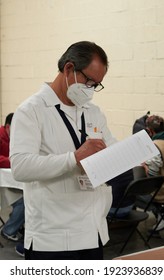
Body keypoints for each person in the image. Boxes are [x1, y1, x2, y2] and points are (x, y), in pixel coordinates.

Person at [10, 41, 116, 260]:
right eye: (89, 81)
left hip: (92, 230)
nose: (91, 89)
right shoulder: (31, 110)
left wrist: (132, 155)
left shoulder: (93, 112)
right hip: (52, 238)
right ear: (69, 69)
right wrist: (74, 159)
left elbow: (111, 148)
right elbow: (20, 167)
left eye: (96, 84)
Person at [140, 115, 164, 230]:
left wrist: (144, 166)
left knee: (134, 194)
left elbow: (152, 176)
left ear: (149, 131)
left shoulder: (155, 145)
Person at [0, 113, 25, 242]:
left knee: (30, 195)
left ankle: (17, 222)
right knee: (26, 200)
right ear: (8, 127)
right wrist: (13, 161)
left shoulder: (13, 138)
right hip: (3, 184)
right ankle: (9, 230)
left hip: (11, 180)